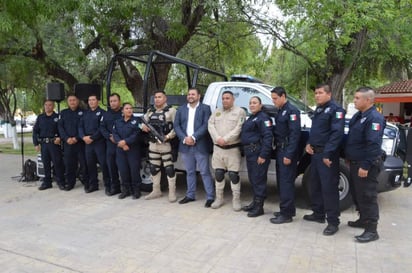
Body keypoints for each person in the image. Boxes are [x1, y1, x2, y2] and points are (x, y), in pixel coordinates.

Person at [304, 83, 345, 236]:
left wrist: (328, 154)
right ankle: (318, 213)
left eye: (320, 93)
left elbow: (337, 134)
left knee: (329, 189)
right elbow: (316, 131)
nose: (317, 96)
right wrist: (308, 143)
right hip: (315, 154)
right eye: (315, 93)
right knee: (314, 184)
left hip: (327, 156)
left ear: (329, 94)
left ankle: (333, 222)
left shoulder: (336, 110)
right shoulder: (319, 109)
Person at [345, 87, 385, 243]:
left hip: (366, 165)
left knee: (368, 196)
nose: (354, 100)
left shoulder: (374, 118)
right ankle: (363, 220)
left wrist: (366, 165)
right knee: (358, 194)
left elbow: (373, 145)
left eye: (357, 98)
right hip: (355, 162)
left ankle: (371, 230)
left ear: (368, 100)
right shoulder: (358, 116)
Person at [174, 87, 215, 207]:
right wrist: (185, 138)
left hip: (200, 145)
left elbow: (205, 125)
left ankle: (210, 197)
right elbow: (177, 126)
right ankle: (190, 195)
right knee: (190, 172)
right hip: (186, 145)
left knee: (205, 172)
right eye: (188, 94)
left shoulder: (205, 108)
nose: (190, 96)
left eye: (193, 94)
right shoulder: (181, 109)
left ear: (198, 96)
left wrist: (194, 137)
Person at [208, 90, 246, 211]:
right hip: (218, 149)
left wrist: (225, 139)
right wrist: (218, 138)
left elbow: (238, 128)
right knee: (218, 174)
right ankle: (219, 198)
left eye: (227, 98)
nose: (225, 100)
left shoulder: (240, 112)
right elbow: (210, 125)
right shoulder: (217, 112)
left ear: (233, 99)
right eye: (223, 98)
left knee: (233, 175)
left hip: (232, 149)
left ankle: (236, 200)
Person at [269, 87, 301, 224]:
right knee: (282, 182)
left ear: (283, 96)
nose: (273, 101)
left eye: (275, 98)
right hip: (280, 150)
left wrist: (289, 154)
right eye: (272, 98)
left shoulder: (292, 111)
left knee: (286, 183)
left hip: (287, 151)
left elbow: (295, 135)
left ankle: (286, 214)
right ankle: (288, 209)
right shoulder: (281, 110)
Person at [142, 90, 178, 202]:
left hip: (165, 143)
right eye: (156, 97)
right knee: (153, 168)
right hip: (153, 144)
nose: (157, 99)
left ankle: (172, 192)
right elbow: (142, 122)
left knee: (169, 168)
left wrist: (168, 136)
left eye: (160, 97)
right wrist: (143, 127)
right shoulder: (150, 111)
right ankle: (156, 191)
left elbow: (177, 127)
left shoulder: (171, 111)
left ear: (165, 98)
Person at [240, 96, 273, 217]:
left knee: (259, 180)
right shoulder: (253, 117)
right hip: (250, 153)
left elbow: (268, 137)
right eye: (250, 103)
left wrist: (263, 155)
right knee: (253, 179)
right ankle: (255, 203)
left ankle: (259, 207)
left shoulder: (263, 118)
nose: (252, 105)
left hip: (258, 153)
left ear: (260, 105)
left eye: (255, 103)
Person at [78, 94, 110, 194]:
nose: (91, 102)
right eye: (89, 100)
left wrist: (92, 137)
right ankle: (93, 185)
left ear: (98, 101)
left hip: (99, 142)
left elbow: (102, 128)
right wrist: (83, 137)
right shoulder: (85, 114)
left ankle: (108, 185)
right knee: (90, 164)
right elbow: (80, 127)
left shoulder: (103, 113)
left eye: (93, 100)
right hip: (87, 142)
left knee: (104, 164)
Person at [58, 94, 88, 191]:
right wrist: (66, 138)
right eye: (70, 100)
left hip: (80, 143)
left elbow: (84, 127)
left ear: (78, 101)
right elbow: (60, 128)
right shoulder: (63, 113)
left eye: (74, 100)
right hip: (68, 143)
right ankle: (70, 183)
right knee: (69, 164)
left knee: (84, 164)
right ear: (68, 102)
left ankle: (87, 183)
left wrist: (77, 138)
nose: (72, 102)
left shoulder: (83, 113)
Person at [32, 100, 65, 190]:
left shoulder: (57, 117)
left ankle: (61, 182)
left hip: (54, 144)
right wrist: (36, 143)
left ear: (53, 106)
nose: (47, 107)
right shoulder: (40, 117)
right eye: (46, 105)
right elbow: (35, 131)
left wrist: (60, 138)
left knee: (57, 163)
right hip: (44, 145)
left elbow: (62, 130)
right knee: (45, 164)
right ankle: (47, 182)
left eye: (50, 105)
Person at [112, 103, 142, 199]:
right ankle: (126, 190)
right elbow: (115, 133)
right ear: (122, 111)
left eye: (130, 108)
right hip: (120, 149)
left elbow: (136, 134)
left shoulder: (137, 121)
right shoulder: (117, 121)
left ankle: (136, 191)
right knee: (123, 170)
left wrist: (125, 142)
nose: (129, 110)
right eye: (127, 108)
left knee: (134, 171)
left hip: (132, 149)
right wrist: (121, 143)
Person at [100, 93, 122, 196]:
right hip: (110, 144)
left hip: (122, 144)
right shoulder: (106, 114)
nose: (113, 103)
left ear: (119, 101)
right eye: (111, 101)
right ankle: (115, 187)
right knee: (111, 166)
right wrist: (109, 136)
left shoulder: (124, 112)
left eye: (115, 101)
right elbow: (102, 128)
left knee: (123, 167)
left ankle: (127, 187)